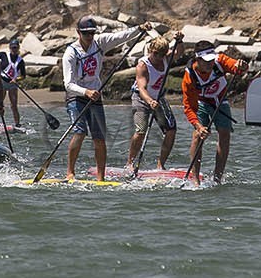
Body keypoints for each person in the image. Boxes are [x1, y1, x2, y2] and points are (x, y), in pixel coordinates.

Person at [62, 16, 153, 182]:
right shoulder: (70, 53)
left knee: (99, 138)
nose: (89, 37)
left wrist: (139, 29)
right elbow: (68, 84)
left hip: (95, 96)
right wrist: (86, 92)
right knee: (80, 132)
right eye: (86, 33)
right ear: (78, 33)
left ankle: (100, 177)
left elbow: (121, 37)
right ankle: (70, 173)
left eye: (92, 33)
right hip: (76, 97)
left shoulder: (99, 43)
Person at [182, 43, 247, 184]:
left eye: (212, 60)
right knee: (198, 136)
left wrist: (241, 66)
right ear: (197, 60)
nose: (210, 64)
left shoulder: (220, 61)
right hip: (201, 102)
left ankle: (217, 177)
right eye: (206, 61)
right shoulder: (189, 77)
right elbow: (188, 107)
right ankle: (195, 179)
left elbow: (237, 67)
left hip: (220, 100)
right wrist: (199, 126)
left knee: (224, 133)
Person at [126, 33, 181, 176]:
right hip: (141, 98)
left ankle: (160, 164)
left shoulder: (166, 58)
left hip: (159, 98)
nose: (159, 57)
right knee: (141, 131)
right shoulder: (143, 66)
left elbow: (179, 51)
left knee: (171, 130)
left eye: (162, 54)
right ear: (151, 51)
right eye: (156, 54)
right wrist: (150, 101)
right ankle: (130, 163)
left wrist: (179, 41)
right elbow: (142, 88)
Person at [0, 36, 26, 131]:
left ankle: (17, 124)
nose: (14, 50)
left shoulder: (20, 61)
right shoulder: (3, 55)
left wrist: (17, 79)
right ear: (10, 48)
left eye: (16, 48)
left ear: (18, 48)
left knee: (14, 106)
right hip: (2, 83)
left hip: (12, 84)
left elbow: (23, 76)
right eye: (12, 47)